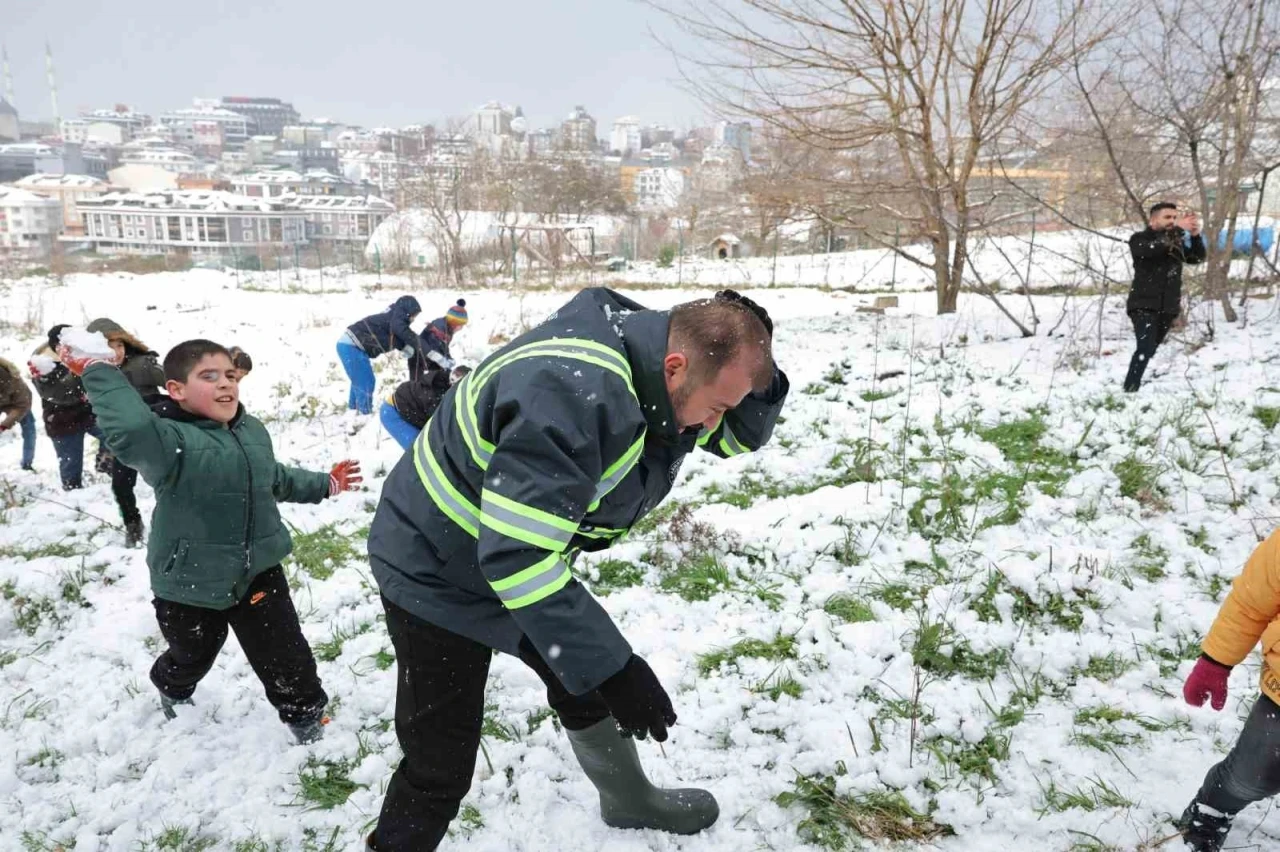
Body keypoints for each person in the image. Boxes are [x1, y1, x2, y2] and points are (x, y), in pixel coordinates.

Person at [364, 287, 789, 851]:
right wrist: (619, 668)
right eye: (716, 409)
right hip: (433, 568)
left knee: (578, 666)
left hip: (508, 547)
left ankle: (627, 797)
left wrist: (759, 353)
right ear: (676, 367)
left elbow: (737, 437)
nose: (714, 429)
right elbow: (518, 557)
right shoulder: (568, 395)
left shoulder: (663, 370)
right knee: (440, 759)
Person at [62, 337, 363, 743]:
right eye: (209, 376)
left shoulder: (250, 430)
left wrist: (325, 484)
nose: (226, 384)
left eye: (230, 375)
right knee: (192, 655)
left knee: (286, 653)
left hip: (257, 570)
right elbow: (132, 427)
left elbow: (273, 477)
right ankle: (172, 687)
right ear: (176, 390)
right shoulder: (168, 443)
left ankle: (307, 720)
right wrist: (99, 369)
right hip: (190, 580)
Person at [83, 318, 167, 548]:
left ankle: (171, 527)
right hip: (122, 440)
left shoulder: (143, 364)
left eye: (120, 345)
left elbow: (175, 382)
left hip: (155, 436)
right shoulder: (95, 373)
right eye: (110, 346)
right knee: (120, 484)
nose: (117, 352)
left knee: (167, 483)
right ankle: (133, 524)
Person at [1124, 202, 1205, 393]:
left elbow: (1195, 258)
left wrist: (1195, 236)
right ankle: (1129, 389)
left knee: (1150, 349)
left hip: (1167, 307)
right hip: (1143, 304)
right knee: (1144, 348)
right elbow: (1152, 249)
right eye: (1167, 217)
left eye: (1175, 218)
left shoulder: (1174, 241)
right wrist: (1178, 229)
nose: (1172, 221)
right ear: (1153, 220)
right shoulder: (1139, 239)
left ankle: (1132, 384)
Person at [28, 326, 99, 488]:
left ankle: (106, 468)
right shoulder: (43, 362)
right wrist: (79, 387)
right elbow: (56, 395)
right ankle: (73, 499)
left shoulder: (83, 351)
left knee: (114, 437)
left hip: (89, 413)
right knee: (71, 465)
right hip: (61, 420)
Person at [338, 296, 424, 415]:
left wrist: (404, 347)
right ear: (407, 313)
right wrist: (417, 344)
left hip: (351, 345)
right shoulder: (395, 321)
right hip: (351, 346)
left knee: (359, 379)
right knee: (366, 381)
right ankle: (364, 413)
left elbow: (392, 337)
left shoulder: (392, 318)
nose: (413, 320)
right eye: (413, 316)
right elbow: (398, 333)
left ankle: (353, 410)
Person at [379, 365, 470, 450]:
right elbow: (443, 425)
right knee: (421, 451)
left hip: (409, 409)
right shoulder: (434, 396)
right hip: (393, 413)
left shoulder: (446, 384)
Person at [410, 298, 467, 378]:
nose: (461, 328)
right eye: (461, 325)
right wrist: (444, 361)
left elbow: (444, 346)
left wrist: (449, 358)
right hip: (419, 356)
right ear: (454, 323)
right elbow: (436, 348)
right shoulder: (440, 328)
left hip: (429, 356)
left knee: (439, 376)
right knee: (418, 383)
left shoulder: (448, 329)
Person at [0, 355, 35, 472]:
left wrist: (3, 425)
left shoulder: (15, 381)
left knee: (29, 429)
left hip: (17, 403)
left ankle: (27, 463)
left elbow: (22, 406)